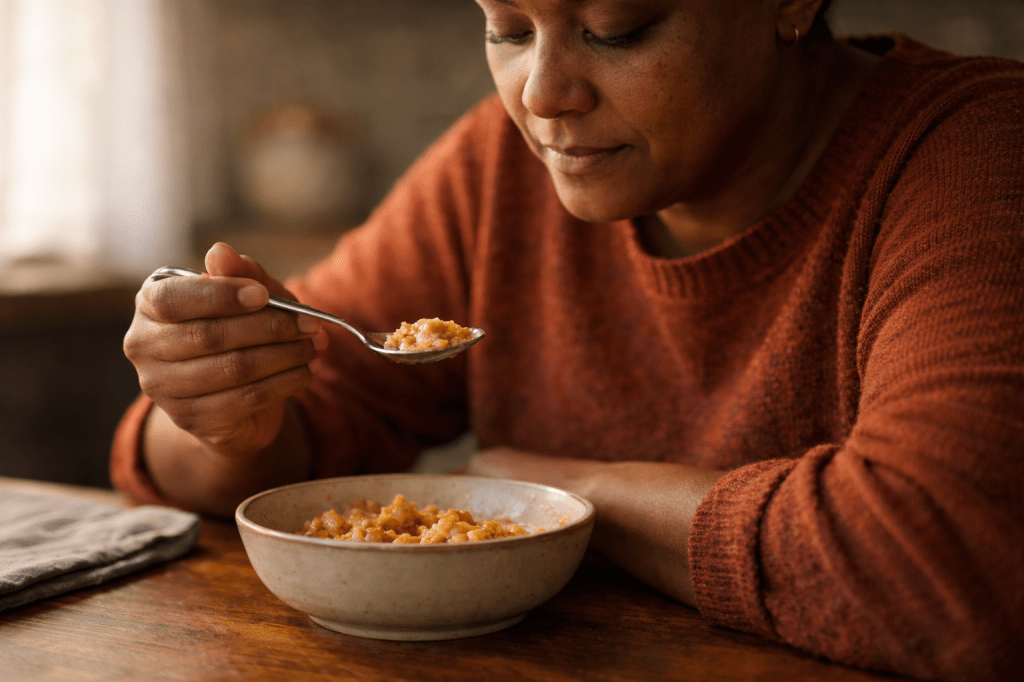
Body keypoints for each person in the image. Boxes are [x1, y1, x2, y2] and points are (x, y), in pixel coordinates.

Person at [112, 1, 1024, 680]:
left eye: (617, 29)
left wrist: (555, 492)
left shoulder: (976, 152)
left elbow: (944, 560)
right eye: (507, 28)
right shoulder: (500, 169)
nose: (544, 95)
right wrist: (217, 404)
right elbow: (247, 453)